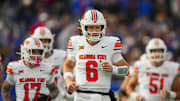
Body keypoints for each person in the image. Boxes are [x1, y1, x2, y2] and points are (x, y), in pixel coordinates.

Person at [63, 9, 129, 101]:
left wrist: (113, 69)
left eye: (97, 27)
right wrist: (68, 81)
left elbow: (127, 71)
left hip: (103, 96)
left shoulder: (111, 43)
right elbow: (68, 65)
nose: (94, 31)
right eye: (91, 27)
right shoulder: (76, 42)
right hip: (81, 96)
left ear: (103, 27)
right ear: (84, 27)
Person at [32, 26, 72, 101]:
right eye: (41, 41)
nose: (44, 44)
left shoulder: (62, 56)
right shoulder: (32, 61)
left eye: (46, 40)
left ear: (51, 41)